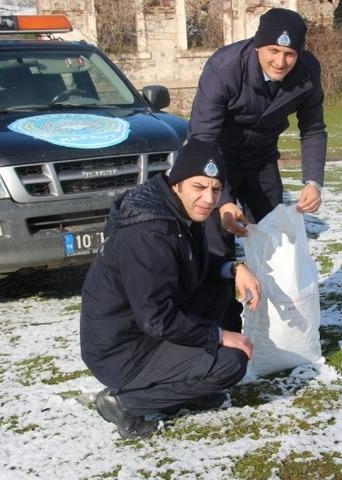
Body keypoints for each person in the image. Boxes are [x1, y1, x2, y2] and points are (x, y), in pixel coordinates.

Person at [80, 139, 261, 439]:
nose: (208, 198)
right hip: (122, 350)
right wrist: (219, 335)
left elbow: (192, 265)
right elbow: (156, 319)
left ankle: (193, 388)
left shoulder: (179, 212)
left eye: (216, 189)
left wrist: (234, 268)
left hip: (141, 331)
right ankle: (124, 402)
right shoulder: (149, 233)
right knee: (231, 363)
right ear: (177, 183)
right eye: (199, 187)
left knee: (220, 287)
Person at [188, 7, 327, 332]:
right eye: (273, 51)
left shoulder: (307, 72)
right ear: (257, 46)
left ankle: (275, 326)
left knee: (273, 239)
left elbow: (313, 128)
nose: (281, 61)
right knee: (219, 244)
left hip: (262, 158)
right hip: (216, 160)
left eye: (290, 53)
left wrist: (313, 182)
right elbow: (203, 138)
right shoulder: (224, 67)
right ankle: (220, 327)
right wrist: (222, 200)